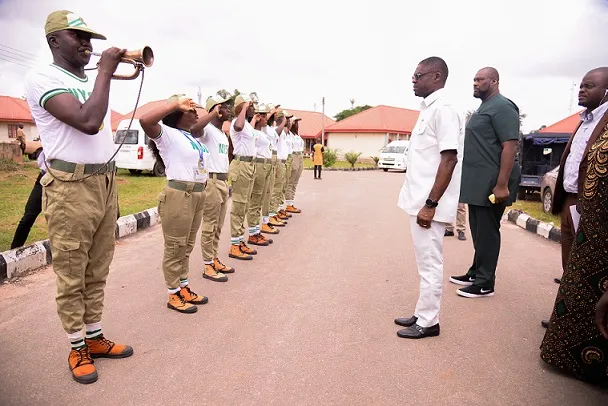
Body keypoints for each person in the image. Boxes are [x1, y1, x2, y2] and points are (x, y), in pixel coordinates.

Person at [24, 10, 132, 385]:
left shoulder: (85, 78)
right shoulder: (41, 78)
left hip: (104, 182)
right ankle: (77, 345)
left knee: (98, 267)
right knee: (72, 271)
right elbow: (87, 121)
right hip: (70, 187)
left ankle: (95, 335)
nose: (87, 44)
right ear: (54, 41)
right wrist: (104, 71)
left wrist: (102, 73)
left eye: (89, 37)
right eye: (77, 36)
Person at [540, 67, 608, 384]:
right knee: (570, 266)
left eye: (589, 86)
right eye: (581, 85)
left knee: (587, 272)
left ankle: (586, 337)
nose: (582, 90)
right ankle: (565, 321)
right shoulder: (584, 120)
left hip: (595, 210)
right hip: (571, 201)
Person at [395, 56, 463, 339]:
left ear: (436, 77)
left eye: (418, 75)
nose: (413, 80)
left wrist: (431, 205)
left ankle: (429, 322)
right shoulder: (429, 109)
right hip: (420, 201)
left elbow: (449, 159)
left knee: (430, 263)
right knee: (424, 261)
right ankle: (422, 312)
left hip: (429, 205)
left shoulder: (444, 110)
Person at [450, 67, 521, 298]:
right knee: (478, 231)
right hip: (477, 182)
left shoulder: (502, 107)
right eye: (473, 79)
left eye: (480, 80)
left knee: (488, 232)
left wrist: (501, 184)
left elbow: (509, 146)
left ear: (494, 81)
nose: (475, 83)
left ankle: (485, 283)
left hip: (492, 182)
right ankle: (475, 272)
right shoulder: (485, 107)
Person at [139, 95, 210, 311]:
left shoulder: (192, 137)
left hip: (197, 195)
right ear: (176, 114)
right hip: (180, 195)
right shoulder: (167, 135)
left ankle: (183, 286)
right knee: (174, 247)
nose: (196, 112)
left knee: (186, 246)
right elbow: (145, 121)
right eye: (190, 110)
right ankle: (173, 293)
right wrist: (172, 104)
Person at [193, 95, 235, 283]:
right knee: (209, 226)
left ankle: (214, 258)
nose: (228, 109)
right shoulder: (207, 130)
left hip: (222, 181)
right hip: (211, 181)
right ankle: (207, 265)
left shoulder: (221, 133)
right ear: (216, 110)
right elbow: (194, 129)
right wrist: (211, 113)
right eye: (224, 107)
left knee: (218, 225)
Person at [228, 94, 259, 260]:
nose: (253, 108)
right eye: (250, 106)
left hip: (250, 166)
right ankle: (234, 245)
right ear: (242, 108)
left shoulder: (247, 124)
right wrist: (245, 106)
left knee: (245, 205)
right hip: (241, 166)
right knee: (239, 205)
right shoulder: (236, 122)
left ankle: (239, 241)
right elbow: (238, 127)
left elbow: (248, 131)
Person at [246, 103, 274, 247]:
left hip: (266, 164)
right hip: (258, 164)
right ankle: (252, 233)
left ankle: (256, 230)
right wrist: (254, 120)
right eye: (263, 116)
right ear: (257, 118)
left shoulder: (262, 132)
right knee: (255, 199)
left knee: (261, 198)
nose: (266, 119)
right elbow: (248, 136)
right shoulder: (252, 132)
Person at [10, 150, 46, 249]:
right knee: (28, 217)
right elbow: (33, 153)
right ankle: (14, 251)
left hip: (63, 180)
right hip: (44, 177)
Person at [261, 103, 285, 235]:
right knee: (267, 192)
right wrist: (271, 112)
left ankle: (269, 217)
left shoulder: (270, 128)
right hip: (267, 158)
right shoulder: (263, 128)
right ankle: (266, 219)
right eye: (272, 114)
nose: (275, 116)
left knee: (271, 190)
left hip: (273, 158)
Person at [268, 110, 291, 228]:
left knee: (279, 188)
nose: (289, 121)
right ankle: (272, 214)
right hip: (276, 161)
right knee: (275, 189)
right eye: (287, 119)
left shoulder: (282, 131)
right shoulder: (273, 130)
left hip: (281, 161)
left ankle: (274, 211)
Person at [284, 116, 304, 214]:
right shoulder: (288, 134)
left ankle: (291, 202)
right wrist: (289, 123)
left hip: (300, 156)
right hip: (293, 156)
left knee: (295, 182)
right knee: (290, 181)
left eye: (297, 122)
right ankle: (288, 204)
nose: (296, 124)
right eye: (294, 122)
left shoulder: (296, 135)